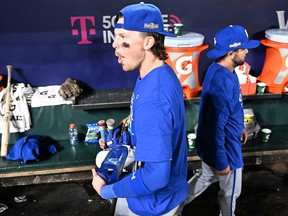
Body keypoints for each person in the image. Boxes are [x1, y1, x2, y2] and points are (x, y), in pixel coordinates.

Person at [91, 3, 188, 216]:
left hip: (155, 204)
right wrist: (120, 139)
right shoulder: (156, 72)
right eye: (115, 36)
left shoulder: (154, 98)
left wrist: (106, 191)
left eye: (123, 38)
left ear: (148, 42)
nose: (115, 44)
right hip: (163, 192)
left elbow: (155, 176)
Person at [175, 25, 260, 216]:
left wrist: (239, 127)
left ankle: (174, 207)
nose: (247, 51)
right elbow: (215, 127)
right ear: (231, 53)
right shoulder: (220, 81)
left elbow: (227, 111)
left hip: (218, 141)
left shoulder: (221, 69)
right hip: (225, 148)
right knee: (231, 193)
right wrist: (222, 162)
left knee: (206, 177)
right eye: (243, 48)